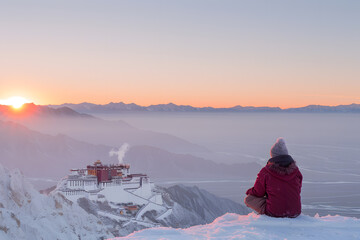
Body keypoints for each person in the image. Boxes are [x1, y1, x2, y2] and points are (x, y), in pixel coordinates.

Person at [244, 137, 302, 218]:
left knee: (248, 199)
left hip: (275, 212)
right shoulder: (296, 171)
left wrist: (249, 191)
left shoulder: (266, 172)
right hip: (295, 212)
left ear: (273, 156)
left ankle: (266, 215)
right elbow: (298, 189)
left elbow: (258, 192)